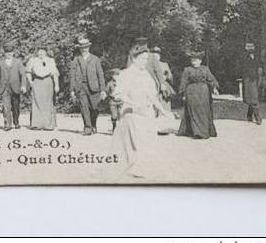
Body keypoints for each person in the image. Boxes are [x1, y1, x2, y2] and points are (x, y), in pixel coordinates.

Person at [112, 43, 167, 177]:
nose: (145, 62)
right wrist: (134, 103)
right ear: (134, 59)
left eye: (146, 59)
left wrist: (163, 110)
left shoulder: (146, 75)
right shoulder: (126, 74)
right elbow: (118, 94)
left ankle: (145, 167)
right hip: (132, 113)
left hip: (147, 113)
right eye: (142, 59)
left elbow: (152, 96)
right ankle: (135, 168)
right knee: (136, 141)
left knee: (149, 139)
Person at [177, 51, 219, 139]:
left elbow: (211, 79)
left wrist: (214, 88)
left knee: (203, 110)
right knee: (193, 110)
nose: (194, 62)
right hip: (191, 92)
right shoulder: (187, 69)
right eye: (192, 61)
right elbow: (184, 82)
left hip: (204, 92)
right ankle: (197, 132)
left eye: (196, 60)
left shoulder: (205, 69)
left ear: (200, 61)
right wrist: (183, 93)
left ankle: (205, 131)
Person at [68, 37, 106, 135]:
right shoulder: (76, 60)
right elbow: (72, 75)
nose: (83, 49)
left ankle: (93, 124)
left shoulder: (95, 59)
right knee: (84, 107)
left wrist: (103, 90)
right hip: (81, 87)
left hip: (94, 87)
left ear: (89, 48)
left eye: (85, 47)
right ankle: (87, 127)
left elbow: (100, 75)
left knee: (95, 108)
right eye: (82, 48)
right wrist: (72, 89)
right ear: (79, 48)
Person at [25, 48, 59, 131]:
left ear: (46, 52)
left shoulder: (51, 60)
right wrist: (30, 82)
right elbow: (28, 72)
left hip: (48, 81)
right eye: (39, 52)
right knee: (36, 102)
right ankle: (36, 124)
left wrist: (56, 85)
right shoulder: (33, 60)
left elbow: (54, 73)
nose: (41, 54)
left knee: (48, 102)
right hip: (37, 81)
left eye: (43, 52)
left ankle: (48, 125)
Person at [0, 47, 26, 130]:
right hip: (4, 87)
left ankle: (16, 121)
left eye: (10, 52)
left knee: (16, 106)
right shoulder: (0, 63)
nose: (9, 54)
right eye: (7, 52)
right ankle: (7, 124)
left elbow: (23, 74)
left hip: (16, 87)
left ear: (13, 53)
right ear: (4, 53)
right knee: (6, 106)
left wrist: (23, 85)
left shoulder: (18, 62)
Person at [241, 42, 263, 125]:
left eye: (251, 46)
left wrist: (260, 75)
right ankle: (258, 118)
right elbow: (240, 68)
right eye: (248, 47)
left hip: (257, 79)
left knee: (253, 97)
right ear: (245, 48)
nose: (250, 48)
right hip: (248, 80)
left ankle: (249, 115)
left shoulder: (257, 56)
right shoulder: (243, 57)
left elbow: (261, 66)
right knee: (254, 98)